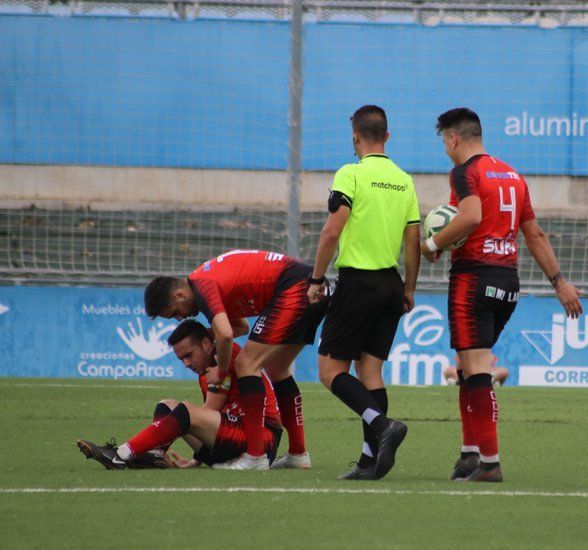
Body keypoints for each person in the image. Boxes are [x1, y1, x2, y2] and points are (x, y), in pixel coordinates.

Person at [422, 107, 583, 482]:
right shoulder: (512, 175)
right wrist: (559, 283)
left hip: (473, 278)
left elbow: (471, 217)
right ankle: (469, 453)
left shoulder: (465, 172)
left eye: (444, 142)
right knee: (466, 364)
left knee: (477, 368)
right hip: (508, 280)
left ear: (453, 138)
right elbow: (535, 234)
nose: (445, 150)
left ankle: (490, 463)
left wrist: (432, 243)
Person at [307, 105, 419, 480]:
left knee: (328, 369)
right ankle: (369, 461)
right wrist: (410, 288)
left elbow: (331, 232)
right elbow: (413, 242)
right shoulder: (404, 180)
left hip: (359, 282)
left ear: (355, 137)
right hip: (391, 284)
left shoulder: (350, 173)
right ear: (387, 137)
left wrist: (316, 279)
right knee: (370, 372)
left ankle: (381, 424)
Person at [142, 249, 324, 470]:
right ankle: (298, 453)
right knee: (277, 369)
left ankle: (255, 457)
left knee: (246, 364)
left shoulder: (202, 286)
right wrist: (203, 340)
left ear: (179, 295)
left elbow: (226, 334)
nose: (179, 318)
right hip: (309, 286)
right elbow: (240, 327)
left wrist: (220, 370)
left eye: (174, 313)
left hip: (295, 286)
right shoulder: (209, 282)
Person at [76, 320, 283, 469]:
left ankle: (121, 453)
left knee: (185, 412)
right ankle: (156, 454)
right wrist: (196, 460)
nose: (185, 363)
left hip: (261, 441)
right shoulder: (206, 372)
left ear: (206, 344)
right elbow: (210, 420)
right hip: (231, 440)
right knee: (167, 406)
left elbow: (209, 412)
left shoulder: (225, 357)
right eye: (181, 359)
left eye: (188, 355)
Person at [443, 353, 508, 387]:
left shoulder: (485, 349)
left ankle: (490, 380)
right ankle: (460, 381)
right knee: (450, 370)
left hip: (486, 374)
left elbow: (504, 372)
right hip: (467, 374)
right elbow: (448, 371)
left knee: (503, 370)